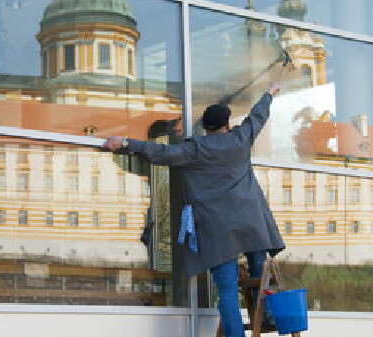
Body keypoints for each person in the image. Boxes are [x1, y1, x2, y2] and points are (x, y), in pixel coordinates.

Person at [103, 81, 285, 337]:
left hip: (217, 230)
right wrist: (269, 93)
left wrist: (125, 143)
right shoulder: (240, 138)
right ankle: (263, 314)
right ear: (227, 126)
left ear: (206, 129)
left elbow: (160, 152)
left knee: (228, 293)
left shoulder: (196, 149)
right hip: (250, 221)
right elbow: (258, 115)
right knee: (259, 270)